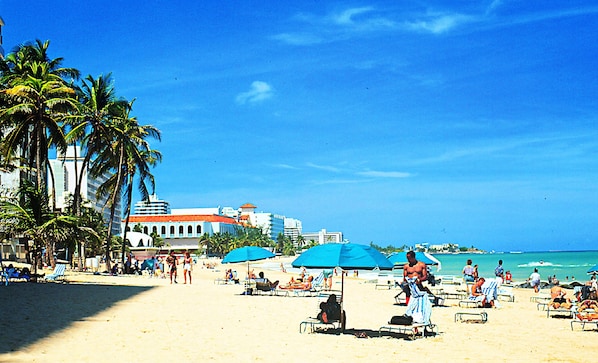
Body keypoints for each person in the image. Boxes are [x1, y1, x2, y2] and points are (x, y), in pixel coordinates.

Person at [402, 251, 432, 324]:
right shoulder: (406, 266)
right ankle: (411, 324)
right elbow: (404, 277)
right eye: (407, 258)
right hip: (410, 288)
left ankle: (424, 323)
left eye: (409, 258)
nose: (408, 260)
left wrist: (419, 280)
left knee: (422, 307)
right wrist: (406, 281)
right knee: (410, 306)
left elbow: (425, 276)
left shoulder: (421, 265)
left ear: (413, 257)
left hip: (419, 287)